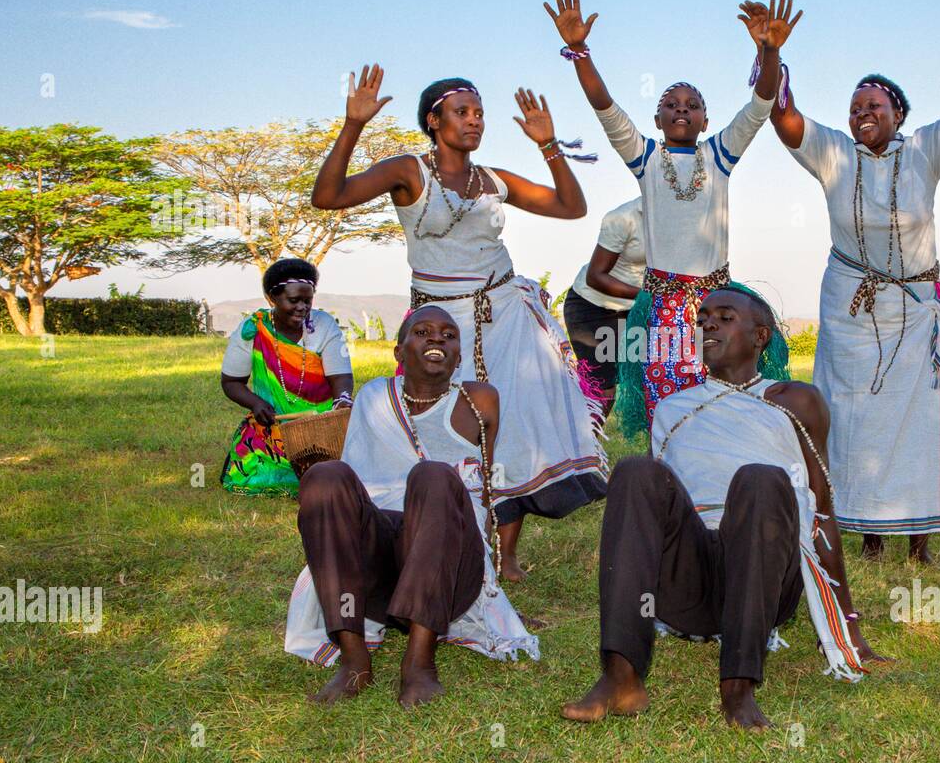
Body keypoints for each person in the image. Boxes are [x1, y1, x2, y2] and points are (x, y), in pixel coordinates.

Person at [751, 4, 940, 562]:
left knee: (919, 419)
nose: (861, 114)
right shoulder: (833, 155)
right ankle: (866, 532)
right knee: (849, 419)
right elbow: (784, 118)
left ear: (898, 112)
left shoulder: (924, 151)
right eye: (854, 108)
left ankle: (918, 538)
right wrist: (770, 51)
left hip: (915, 311)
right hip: (848, 314)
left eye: (872, 106)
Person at [311, 64, 607, 581]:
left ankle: (506, 552)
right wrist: (353, 124)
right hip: (441, 323)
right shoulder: (409, 171)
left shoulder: (492, 179)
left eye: (479, 114)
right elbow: (328, 196)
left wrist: (548, 144)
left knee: (510, 422)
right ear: (434, 120)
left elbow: (571, 206)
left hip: (507, 314)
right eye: (462, 113)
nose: (474, 122)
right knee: (447, 422)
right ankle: (442, 530)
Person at [561, 287, 888, 731]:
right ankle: (621, 675)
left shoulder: (795, 400)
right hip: (689, 584)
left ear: (760, 337)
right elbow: (654, 516)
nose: (708, 324)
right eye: (703, 318)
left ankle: (738, 686)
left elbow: (821, 510)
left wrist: (846, 624)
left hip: (766, 575)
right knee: (635, 470)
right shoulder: (672, 408)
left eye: (725, 317)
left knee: (760, 477)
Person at [544, 0, 801, 432]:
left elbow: (761, 105)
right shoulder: (644, 159)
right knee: (668, 408)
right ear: (656, 119)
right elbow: (604, 106)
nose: (682, 109)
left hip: (718, 304)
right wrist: (580, 50)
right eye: (670, 104)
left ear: (706, 118)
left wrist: (768, 51)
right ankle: (670, 489)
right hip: (662, 307)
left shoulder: (720, 155)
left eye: (693, 105)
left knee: (725, 402)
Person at [286, 304, 538, 708]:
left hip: (450, 568)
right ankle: (354, 660)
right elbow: (356, 489)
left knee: (434, 476)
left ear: (458, 358)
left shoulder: (480, 400)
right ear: (399, 353)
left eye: (448, 335)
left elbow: (496, 486)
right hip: (377, 573)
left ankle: (419, 661)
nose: (437, 338)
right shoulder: (373, 397)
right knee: (324, 477)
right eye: (422, 332)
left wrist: (499, 565)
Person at [219, 258, 353, 497]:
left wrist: (342, 401)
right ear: (272, 299)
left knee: (337, 473)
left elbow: (340, 376)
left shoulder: (324, 325)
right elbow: (231, 383)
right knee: (255, 476)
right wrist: (256, 404)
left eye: (307, 300)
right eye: (294, 300)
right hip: (273, 426)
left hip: (320, 426)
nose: (302, 307)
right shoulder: (253, 329)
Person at [562, 198, 645, 418]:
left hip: (637, 310)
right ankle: (586, 448)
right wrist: (648, 296)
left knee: (654, 382)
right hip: (593, 308)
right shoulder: (622, 217)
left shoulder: (684, 219)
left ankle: (658, 451)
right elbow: (595, 277)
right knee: (602, 391)